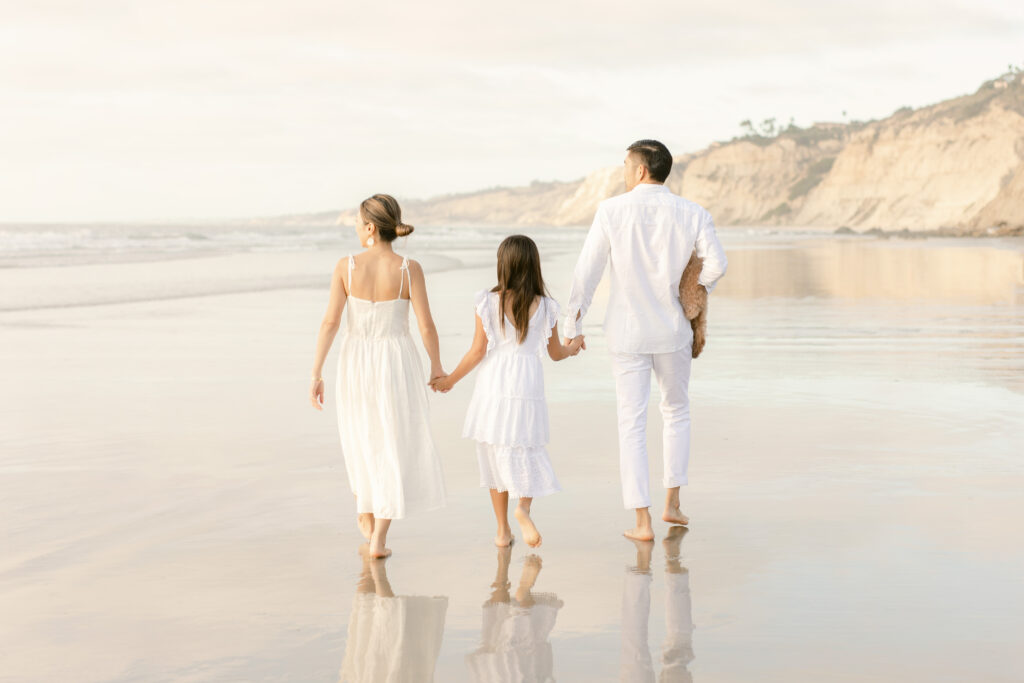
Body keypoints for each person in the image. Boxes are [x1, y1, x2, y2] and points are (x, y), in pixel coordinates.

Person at [564, 140, 727, 541]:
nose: (623, 170)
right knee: (676, 412)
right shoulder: (693, 213)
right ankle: (673, 502)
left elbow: (588, 271)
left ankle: (642, 522)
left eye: (625, 164)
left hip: (627, 331)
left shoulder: (611, 211)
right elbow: (717, 264)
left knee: (631, 423)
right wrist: (693, 289)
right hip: (672, 329)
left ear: (639, 171)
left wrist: (573, 325)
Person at [309, 193, 447, 558]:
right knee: (392, 439)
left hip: (356, 360)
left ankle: (364, 507)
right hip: (396, 360)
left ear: (370, 227)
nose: (356, 228)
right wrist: (436, 366)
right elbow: (426, 325)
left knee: (360, 434)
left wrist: (316, 372)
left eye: (357, 222)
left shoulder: (346, 266)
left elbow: (330, 322)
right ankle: (379, 538)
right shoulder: (408, 269)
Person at [431, 235, 584, 548]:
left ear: (503, 265)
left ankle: (502, 531)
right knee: (527, 446)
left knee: (493, 453)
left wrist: (450, 380)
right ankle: (523, 509)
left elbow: (477, 351)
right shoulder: (547, 307)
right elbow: (555, 353)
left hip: (494, 384)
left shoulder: (487, 301)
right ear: (533, 265)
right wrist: (573, 347)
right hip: (527, 381)